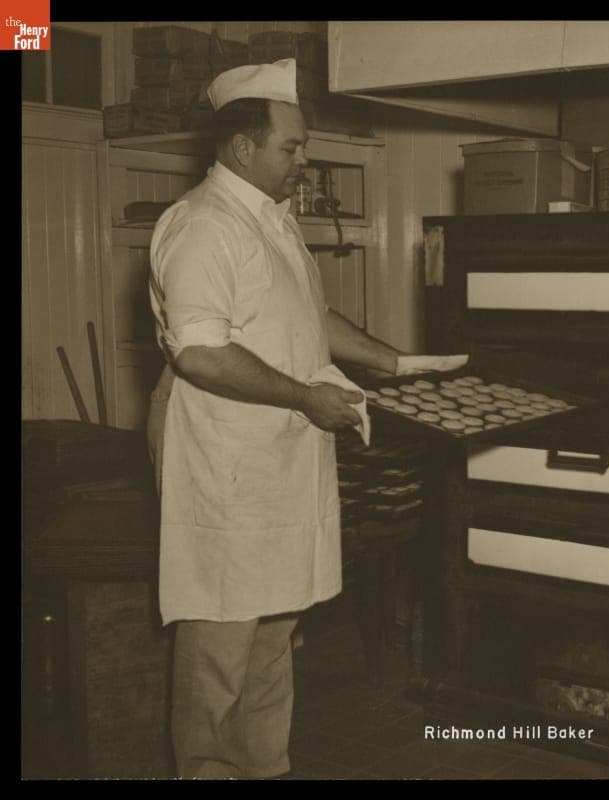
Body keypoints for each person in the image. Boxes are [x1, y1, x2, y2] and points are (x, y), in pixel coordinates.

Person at [146, 58, 465, 779]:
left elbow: (311, 317)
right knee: (221, 639)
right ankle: (205, 770)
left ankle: (264, 768)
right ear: (242, 148)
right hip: (226, 461)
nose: (303, 161)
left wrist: (397, 363)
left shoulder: (271, 220)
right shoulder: (202, 225)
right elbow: (199, 353)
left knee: (274, 627)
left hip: (278, 457)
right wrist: (304, 397)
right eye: (291, 147)